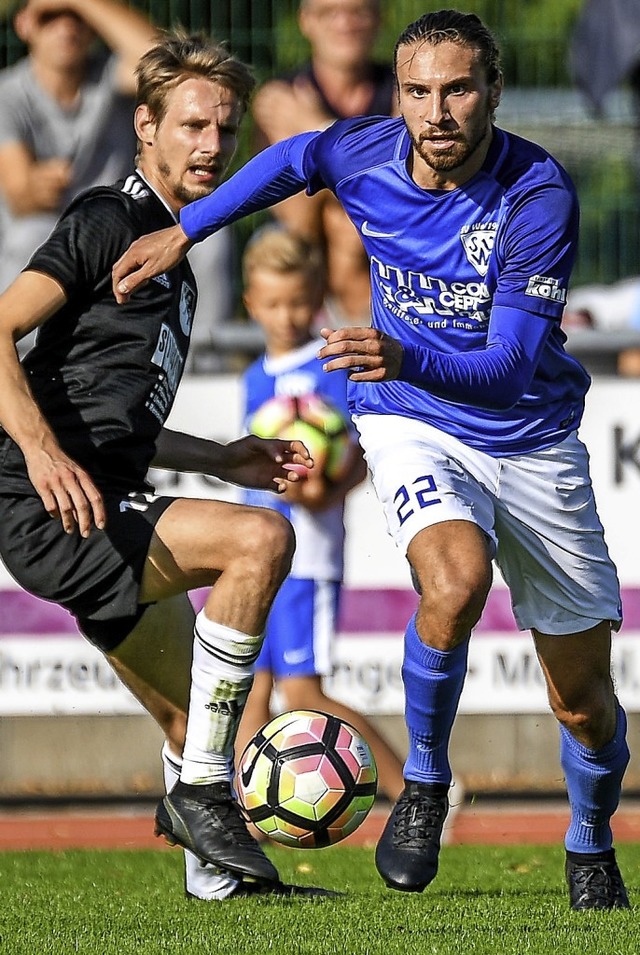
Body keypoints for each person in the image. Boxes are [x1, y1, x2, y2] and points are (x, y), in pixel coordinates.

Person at [111, 10, 632, 912]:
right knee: (454, 578)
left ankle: (589, 839)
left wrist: (400, 353)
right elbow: (290, 160)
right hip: (410, 418)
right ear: (398, 95)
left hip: (530, 434)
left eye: (458, 89)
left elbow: (507, 371)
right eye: (418, 90)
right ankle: (423, 784)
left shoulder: (536, 193)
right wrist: (187, 228)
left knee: (582, 699)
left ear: (494, 95)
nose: (436, 112)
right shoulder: (366, 150)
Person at [0, 29, 331, 902]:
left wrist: (221, 457)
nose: (211, 145)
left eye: (223, 129)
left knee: (194, 710)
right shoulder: (108, 218)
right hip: (51, 503)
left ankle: (219, 886)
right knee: (259, 543)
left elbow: (119, 421)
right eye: (190, 125)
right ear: (144, 126)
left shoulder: (176, 252)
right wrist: (38, 449)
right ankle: (202, 794)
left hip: (103, 488)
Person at [233, 225, 405, 802]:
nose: (288, 316)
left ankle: (416, 793)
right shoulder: (254, 376)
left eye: (300, 302)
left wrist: (323, 491)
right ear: (251, 303)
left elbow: (355, 457)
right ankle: (248, 814)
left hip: (306, 555)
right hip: (252, 554)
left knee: (303, 694)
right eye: (274, 304)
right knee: (249, 693)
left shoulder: (331, 365)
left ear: (318, 296)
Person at [0, 0, 158, 353]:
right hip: (49, 233)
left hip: (122, 231)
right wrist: (35, 185)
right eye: (49, 16)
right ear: (24, 25)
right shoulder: (8, 95)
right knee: (32, 235)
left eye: (76, 17)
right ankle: (18, 363)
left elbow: (164, 62)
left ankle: (200, 366)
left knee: (208, 241)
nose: (66, 27)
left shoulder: (110, 75)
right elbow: (22, 196)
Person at [251, 0, 397, 326]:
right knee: (318, 231)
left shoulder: (405, 91)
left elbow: (401, 186)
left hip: (373, 239)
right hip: (309, 241)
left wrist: (312, 123)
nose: (344, 23)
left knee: (348, 228)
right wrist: (363, 168)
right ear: (306, 20)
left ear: (378, 17)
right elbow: (291, 206)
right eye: (329, 12)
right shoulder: (277, 96)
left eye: (358, 11)